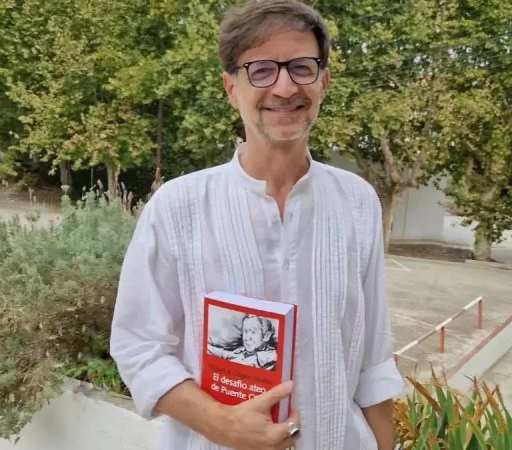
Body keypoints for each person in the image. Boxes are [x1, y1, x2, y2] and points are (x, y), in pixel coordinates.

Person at [109, 0, 404, 449]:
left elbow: (372, 361)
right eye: (261, 70)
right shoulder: (179, 206)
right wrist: (221, 424)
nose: (285, 87)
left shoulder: (358, 202)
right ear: (231, 88)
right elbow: (139, 347)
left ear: (323, 82)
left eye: (302, 67)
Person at [207, 315, 278, 370]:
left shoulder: (270, 357)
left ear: (266, 336)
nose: (247, 338)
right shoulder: (240, 353)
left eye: (253, 332)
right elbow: (219, 352)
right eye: (245, 331)